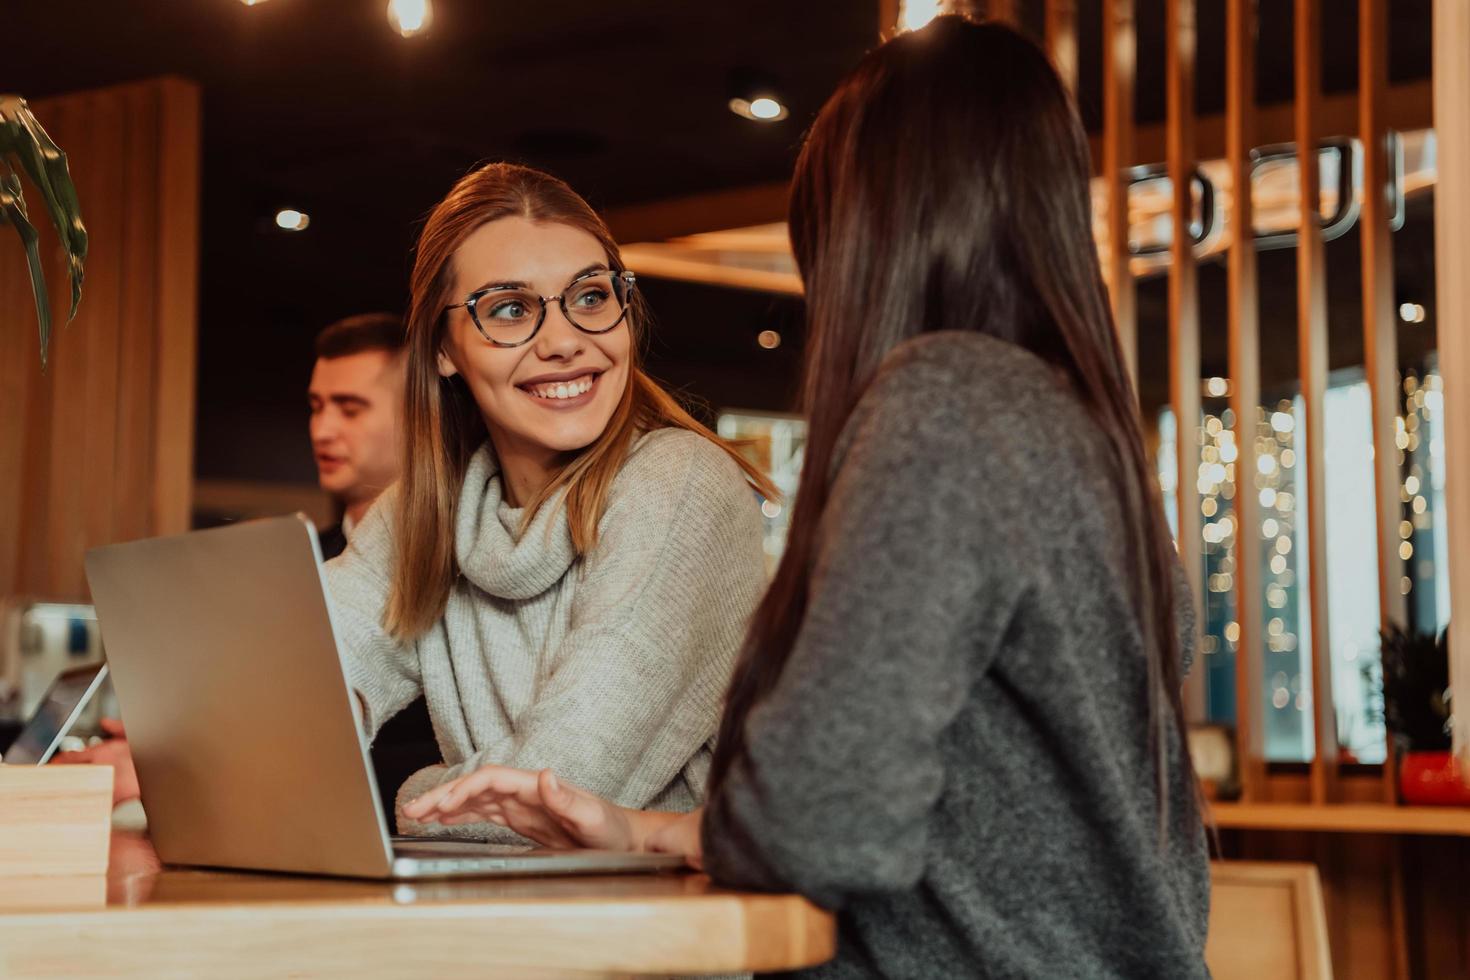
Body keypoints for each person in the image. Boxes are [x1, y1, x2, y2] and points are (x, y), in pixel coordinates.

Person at [404, 18, 1211, 978]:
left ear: (867, 224)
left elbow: (814, 814)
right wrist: (652, 831)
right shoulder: (1078, 430)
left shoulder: (943, 406)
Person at [326, 162, 775, 838]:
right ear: (444, 348)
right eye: (510, 309)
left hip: (679, 925)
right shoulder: (428, 510)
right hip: (512, 918)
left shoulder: (681, 487)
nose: (565, 341)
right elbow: (291, 697)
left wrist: (410, 791)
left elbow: (555, 792)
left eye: (591, 297)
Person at [56, 313, 441, 818]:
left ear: (420, 418)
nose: (322, 429)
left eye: (350, 409)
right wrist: (183, 737)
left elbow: (443, 755)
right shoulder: (290, 563)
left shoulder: (452, 567)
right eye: (316, 406)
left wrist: (194, 768)